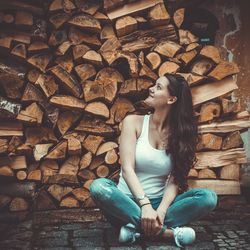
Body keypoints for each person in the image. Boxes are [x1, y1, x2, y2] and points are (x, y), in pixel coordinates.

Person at [90, 73, 218, 248]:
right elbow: (127, 169)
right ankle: (166, 233)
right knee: (98, 187)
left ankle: (135, 230)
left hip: (159, 204)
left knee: (208, 198)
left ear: (171, 99)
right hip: (126, 202)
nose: (150, 89)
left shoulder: (181, 134)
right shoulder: (133, 122)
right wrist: (145, 206)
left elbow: (175, 179)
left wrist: (161, 211)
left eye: (158, 87)